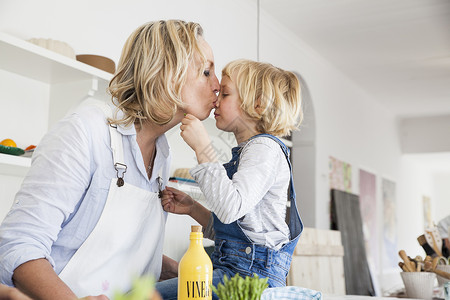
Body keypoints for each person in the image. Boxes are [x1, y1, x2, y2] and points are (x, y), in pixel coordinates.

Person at [0, 20, 219, 299]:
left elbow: (122, 251)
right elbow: (19, 245)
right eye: (206, 71)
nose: (218, 85)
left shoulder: (163, 153)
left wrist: (187, 272)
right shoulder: (86, 131)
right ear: (167, 73)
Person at [157, 59, 304, 299]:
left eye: (224, 94)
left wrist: (203, 148)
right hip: (238, 269)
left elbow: (229, 209)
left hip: (248, 277)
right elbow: (238, 232)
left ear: (257, 104)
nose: (216, 99)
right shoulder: (251, 152)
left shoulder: (264, 149)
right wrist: (193, 208)